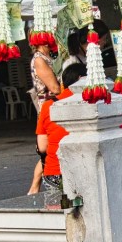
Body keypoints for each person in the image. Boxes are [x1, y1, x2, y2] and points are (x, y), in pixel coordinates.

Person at [35, 63, 83, 207]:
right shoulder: (89, 102)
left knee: (59, 215)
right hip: (81, 170)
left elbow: (42, 147)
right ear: (82, 79)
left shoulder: (48, 105)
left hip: (54, 172)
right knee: (85, 213)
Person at [28, 38, 60, 195]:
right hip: (49, 108)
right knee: (46, 150)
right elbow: (54, 87)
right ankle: (34, 186)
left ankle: (34, 187)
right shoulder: (40, 59)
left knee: (48, 150)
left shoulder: (48, 57)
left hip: (53, 106)